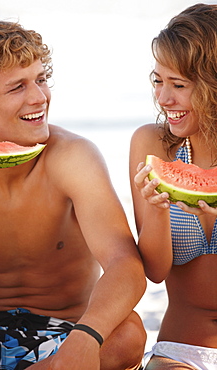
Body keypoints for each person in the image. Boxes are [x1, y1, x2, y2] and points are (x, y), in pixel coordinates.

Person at [0, 16, 147, 370]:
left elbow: (125, 265)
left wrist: (85, 338)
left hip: (65, 330)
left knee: (128, 334)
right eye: (17, 87)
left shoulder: (73, 156)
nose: (40, 97)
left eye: (41, 79)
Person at [129, 3, 217, 370]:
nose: (164, 99)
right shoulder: (153, 146)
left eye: (178, 85)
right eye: (157, 81)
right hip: (183, 348)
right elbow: (156, 270)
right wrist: (158, 212)